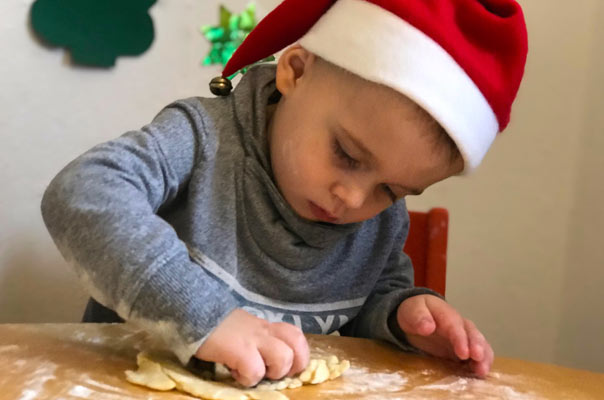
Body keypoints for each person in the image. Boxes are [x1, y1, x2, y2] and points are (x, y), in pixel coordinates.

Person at [41, 0, 528, 387]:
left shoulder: (376, 220)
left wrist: (404, 316)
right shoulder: (203, 139)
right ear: (295, 71)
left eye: (393, 189)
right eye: (347, 154)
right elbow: (85, 191)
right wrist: (204, 318)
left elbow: (370, 292)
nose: (354, 199)